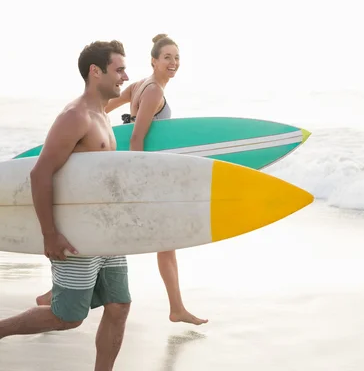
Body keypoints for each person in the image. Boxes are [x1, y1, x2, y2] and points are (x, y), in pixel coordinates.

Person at [36, 33, 208, 326]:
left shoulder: (126, 94)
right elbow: (137, 139)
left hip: (123, 192)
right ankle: (176, 307)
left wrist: (93, 126)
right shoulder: (150, 91)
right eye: (167, 57)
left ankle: (176, 307)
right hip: (138, 181)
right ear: (153, 60)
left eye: (177, 57)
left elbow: (103, 112)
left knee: (133, 286)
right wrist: (136, 182)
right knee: (165, 238)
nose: (173, 62)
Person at [0, 40, 132, 371]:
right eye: (119, 69)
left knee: (119, 305)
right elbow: (40, 173)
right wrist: (50, 234)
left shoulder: (102, 115)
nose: (125, 76)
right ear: (95, 71)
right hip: (76, 235)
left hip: (105, 232)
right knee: (67, 317)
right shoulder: (76, 117)